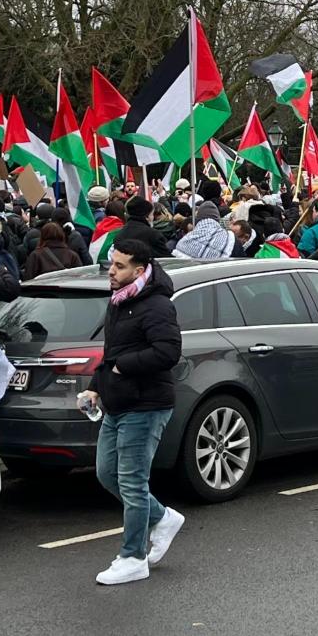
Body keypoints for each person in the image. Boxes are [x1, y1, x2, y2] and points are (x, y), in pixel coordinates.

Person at [77, 239, 185, 586]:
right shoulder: (120, 301)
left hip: (147, 404)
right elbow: (112, 351)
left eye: (120, 266)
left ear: (139, 271)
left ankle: (133, 557)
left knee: (133, 483)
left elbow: (168, 352)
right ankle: (163, 518)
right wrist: (96, 384)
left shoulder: (156, 306)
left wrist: (125, 366)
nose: (112, 270)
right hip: (117, 401)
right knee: (108, 474)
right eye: (112, 263)